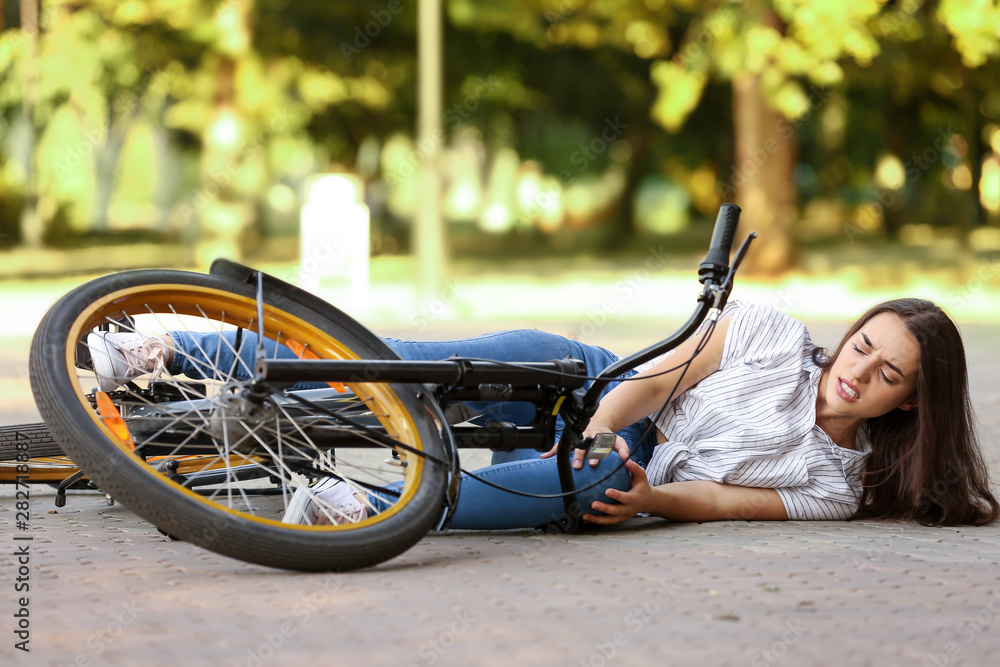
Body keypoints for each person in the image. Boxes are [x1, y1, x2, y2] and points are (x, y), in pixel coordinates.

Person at [87, 297, 999, 530]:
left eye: (888, 373)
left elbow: (724, 503)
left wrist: (646, 499)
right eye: (863, 346)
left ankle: (371, 513)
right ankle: (171, 350)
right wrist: (604, 420)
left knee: (595, 483)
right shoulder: (774, 333)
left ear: (913, 398)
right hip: (613, 387)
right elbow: (666, 369)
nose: (859, 370)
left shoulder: (835, 485)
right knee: (411, 363)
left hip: (637, 467)